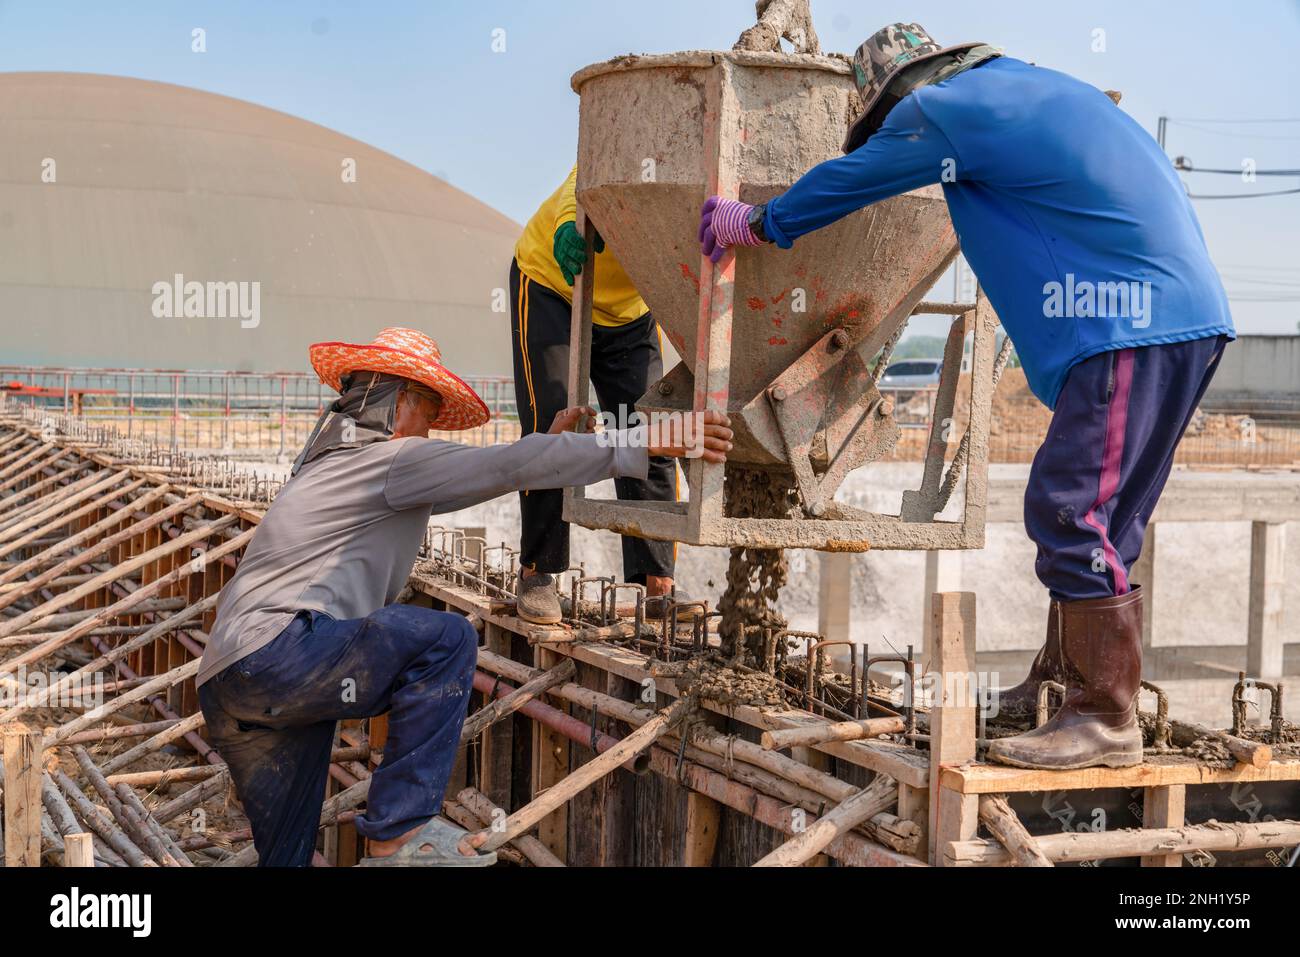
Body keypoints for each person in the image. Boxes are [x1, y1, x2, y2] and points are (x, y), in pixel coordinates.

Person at [698, 23, 1235, 771]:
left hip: (1126, 324)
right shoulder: (1034, 89)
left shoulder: (943, 108)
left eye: (885, 123)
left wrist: (759, 221)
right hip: (1187, 320)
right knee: (1110, 518)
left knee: (1066, 504)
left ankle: (1106, 716)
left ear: (899, 92)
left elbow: (853, 179)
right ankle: (1065, 685)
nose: (892, 137)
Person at [197, 327, 732, 865]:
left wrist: (547, 445)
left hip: (230, 680)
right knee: (446, 641)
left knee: (284, 857)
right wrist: (644, 441)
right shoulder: (390, 461)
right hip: (282, 652)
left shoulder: (329, 467)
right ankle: (398, 834)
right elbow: (504, 465)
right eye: (428, 410)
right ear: (397, 401)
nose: (429, 429)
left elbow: (496, 474)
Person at [511, 164, 689, 624]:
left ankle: (657, 583)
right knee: (553, 423)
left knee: (647, 428)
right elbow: (580, 179)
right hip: (554, 284)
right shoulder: (632, 149)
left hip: (630, 310)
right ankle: (537, 571)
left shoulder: (700, 189)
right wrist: (570, 224)